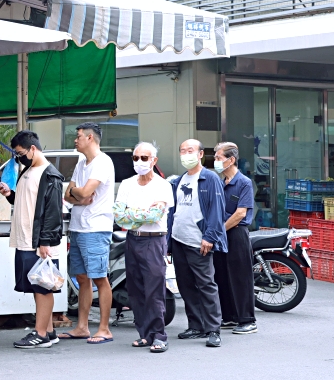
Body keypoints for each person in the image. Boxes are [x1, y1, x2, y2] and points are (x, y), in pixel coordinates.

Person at [0, 130, 64, 349]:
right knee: (38, 286)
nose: (18, 157)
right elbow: (26, 201)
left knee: (43, 287)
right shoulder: (28, 169)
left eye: (20, 153)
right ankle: (49, 331)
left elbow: (53, 212)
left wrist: (45, 241)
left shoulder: (50, 174)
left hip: (39, 242)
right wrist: (9, 194)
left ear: (33, 149)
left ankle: (41, 333)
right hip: (26, 238)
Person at [115, 142, 174, 353]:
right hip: (132, 239)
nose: (139, 162)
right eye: (136, 158)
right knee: (136, 289)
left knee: (154, 290)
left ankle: (159, 335)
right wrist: (142, 214)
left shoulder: (162, 185)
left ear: (154, 160)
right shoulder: (127, 184)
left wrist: (132, 214)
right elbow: (119, 215)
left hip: (154, 240)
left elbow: (156, 215)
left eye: (144, 158)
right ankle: (144, 334)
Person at [169, 139, 227, 348]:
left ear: (201, 154)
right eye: (182, 150)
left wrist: (210, 236)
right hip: (178, 239)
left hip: (199, 240)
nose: (186, 154)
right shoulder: (178, 180)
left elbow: (217, 211)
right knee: (185, 285)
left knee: (206, 285)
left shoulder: (210, 178)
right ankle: (196, 325)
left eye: (190, 150)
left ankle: (213, 329)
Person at [61, 122, 116, 344]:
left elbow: (82, 192)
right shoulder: (81, 163)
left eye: (79, 136)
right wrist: (79, 195)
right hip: (77, 227)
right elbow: (69, 194)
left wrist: (79, 194)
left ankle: (104, 328)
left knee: (99, 278)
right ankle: (82, 327)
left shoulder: (102, 162)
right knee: (82, 278)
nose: (75, 140)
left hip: (96, 227)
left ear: (90, 138)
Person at [213, 142, 257, 335]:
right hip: (221, 234)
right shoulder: (220, 183)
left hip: (236, 233)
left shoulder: (244, 183)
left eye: (218, 158)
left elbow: (240, 214)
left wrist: (219, 230)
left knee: (240, 277)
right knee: (221, 275)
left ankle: (247, 319)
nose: (215, 161)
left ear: (231, 160)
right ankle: (229, 316)